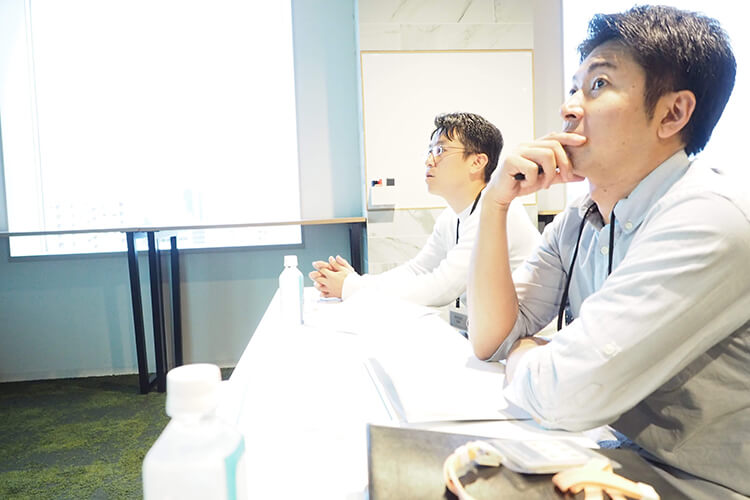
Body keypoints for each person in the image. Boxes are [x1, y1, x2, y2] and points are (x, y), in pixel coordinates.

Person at [468, 5, 749, 497]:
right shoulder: (582, 218)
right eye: (574, 88)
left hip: (704, 485)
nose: (570, 108)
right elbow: (491, 339)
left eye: (598, 85)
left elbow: (562, 394)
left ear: (673, 114)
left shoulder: (708, 217)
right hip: (617, 458)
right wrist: (495, 203)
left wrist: (528, 351)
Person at [310, 112, 540, 308]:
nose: (429, 161)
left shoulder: (498, 213)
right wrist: (357, 282)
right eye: (430, 151)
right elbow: (417, 270)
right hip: (493, 333)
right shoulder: (452, 216)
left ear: (477, 162)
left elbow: (440, 289)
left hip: (528, 338)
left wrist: (351, 287)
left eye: (440, 150)